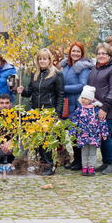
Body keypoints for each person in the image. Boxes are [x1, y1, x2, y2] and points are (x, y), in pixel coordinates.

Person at [17, 48, 65, 176]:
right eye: (40, 59)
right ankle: (42, 164)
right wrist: (23, 91)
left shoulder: (56, 74)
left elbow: (60, 95)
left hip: (49, 110)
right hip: (35, 111)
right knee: (38, 140)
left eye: (44, 58)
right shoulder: (35, 74)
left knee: (46, 140)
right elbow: (31, 92)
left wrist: (57, 114)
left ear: (49, 60)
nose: (42, 61)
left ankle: (50, 166)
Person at [87, 43, 112, 175]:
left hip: (108, 109)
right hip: (95, 108)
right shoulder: (96, 68)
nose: (101, 56)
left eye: (104, 53)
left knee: (105, 136)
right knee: (100, 136)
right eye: (99, 53)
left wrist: (105, 108)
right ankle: (106, 162)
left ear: (109, 54)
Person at [59, 41, 93, 170]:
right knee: (71, 131)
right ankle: (75, 160)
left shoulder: (83, 67)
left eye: (78, 51)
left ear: (82, 53)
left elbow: (82, 86)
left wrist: (62, 88)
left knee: (77, 132)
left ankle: (79, 161)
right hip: (66, 103)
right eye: (73, 51)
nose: (75, 53)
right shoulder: (66, 66)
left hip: (77, 104)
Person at [69, 86, 109, 177]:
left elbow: (102, 122)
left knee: (92, 153)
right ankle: (84, 167)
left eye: (85, 98)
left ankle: (91, 168)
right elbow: (75, 121)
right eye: (82, 98)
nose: (83, 100)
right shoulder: (79, 110)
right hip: (82, 135)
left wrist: (104, 133)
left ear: (91, 99)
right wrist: (73, 131)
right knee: (84, 153)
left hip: (94, 135)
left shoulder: (96, 110)